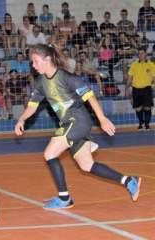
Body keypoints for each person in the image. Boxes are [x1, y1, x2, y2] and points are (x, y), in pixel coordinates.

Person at [14, 43, 141, 209]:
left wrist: (102, 119)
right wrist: (21, 119)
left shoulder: (67, 77)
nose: (33, 65)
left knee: (49, 153)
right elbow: (32, 106)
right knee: (87, 165)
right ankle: (128, 181)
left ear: (47, 59)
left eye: (36, 61)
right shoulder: (40, 83)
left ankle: (64, 198)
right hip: (70, 124)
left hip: (78, 120)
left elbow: (90, 97)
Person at [126, 48, 154, 131]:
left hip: (147, 88)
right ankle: (141, 123)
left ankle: (147, 125)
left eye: (142, 53)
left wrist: (149, 81)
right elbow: (130, 77)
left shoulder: (151, 65)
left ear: (146, 54)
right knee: (138, 108)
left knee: (147, 108)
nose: (140, 55)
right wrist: (127, 88)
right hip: (136, 89)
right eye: (139, 53)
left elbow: (154, 77)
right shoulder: (134, 64)